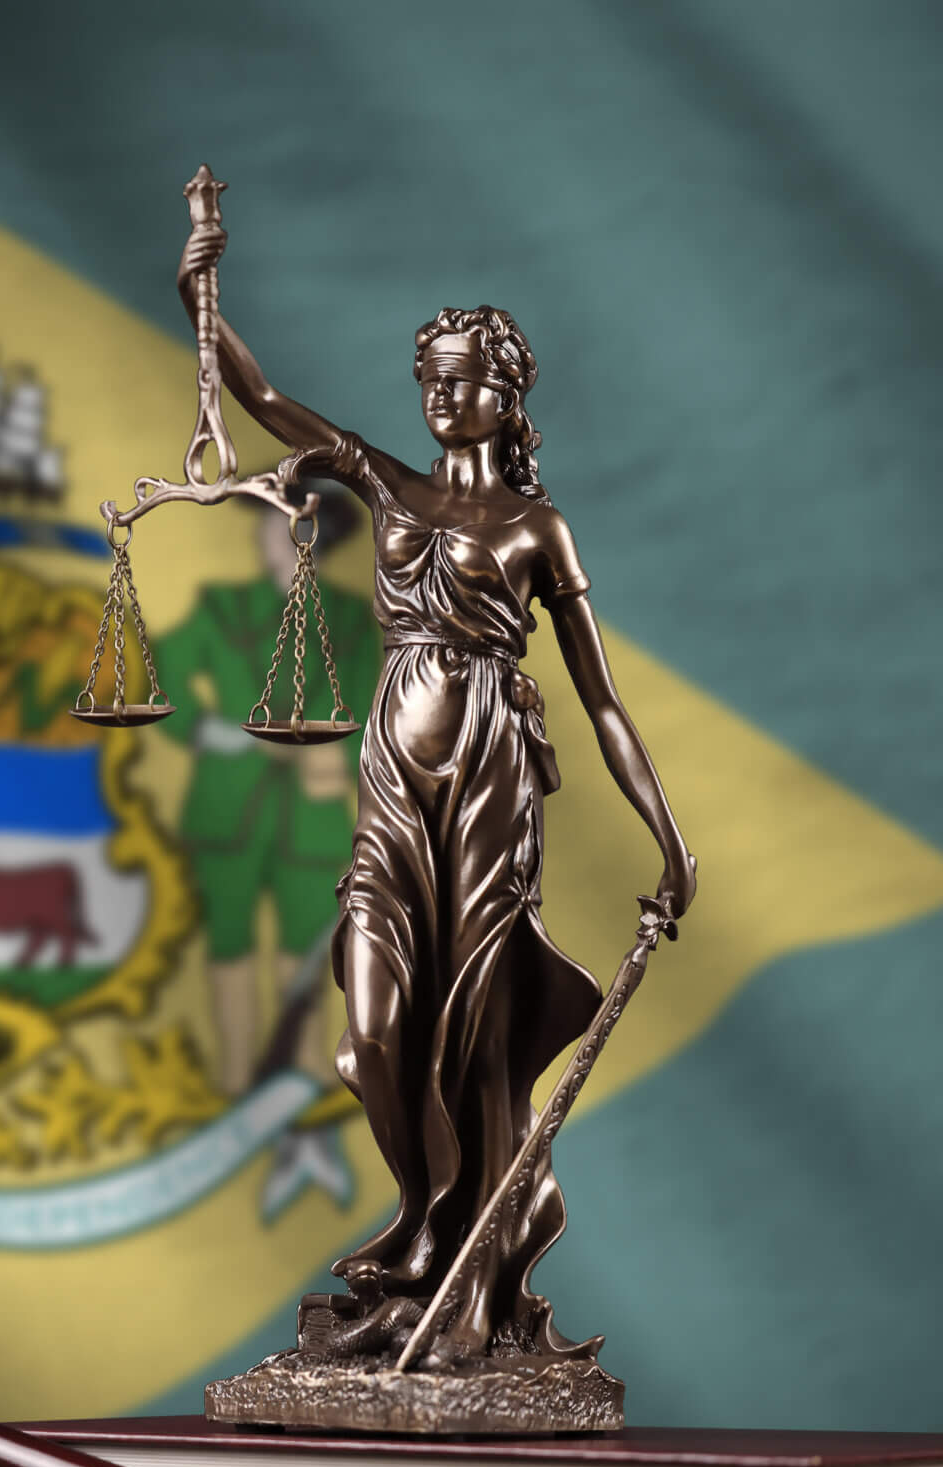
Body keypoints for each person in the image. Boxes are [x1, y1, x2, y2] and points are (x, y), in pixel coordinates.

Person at [180, 225, 697, 1371]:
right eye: (429, 379)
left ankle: (475, 1283)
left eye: (465, 380)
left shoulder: (533, 530)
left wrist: (666, 837)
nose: (441, 397)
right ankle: (424, 1229)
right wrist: (200, 292)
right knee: (374, 1029)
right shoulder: (384, 481)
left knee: (480, 1030)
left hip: (491, 770)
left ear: (509, 396)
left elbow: (603, 701)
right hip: (394, 771)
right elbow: (261, 395)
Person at [149, 490, 379, 1098]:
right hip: (230, 810)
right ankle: (234, 1077)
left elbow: (381, 716)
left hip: (315, 814)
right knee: (228, 940)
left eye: (277, 526)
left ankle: (302, 1076)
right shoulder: (222, 608)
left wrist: (345, 764)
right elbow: (156, 668)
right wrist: (201, 728)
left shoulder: (354, 622)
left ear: (310, 537)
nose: (262, 536)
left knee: (306, 944)